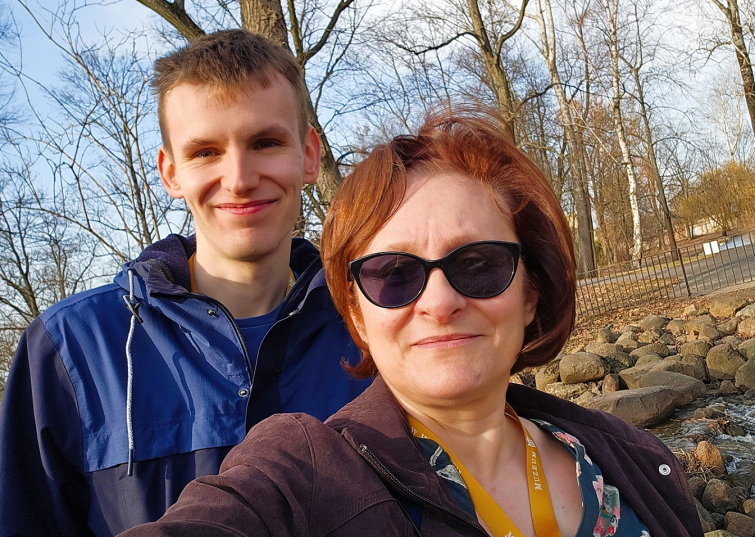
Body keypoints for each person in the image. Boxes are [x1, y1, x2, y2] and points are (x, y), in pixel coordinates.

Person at [122, 108, 704, 537]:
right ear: (356, 313)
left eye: (478, 264)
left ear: (530, 294)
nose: (440, 301)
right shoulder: (304, 474)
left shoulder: (637, 460)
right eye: (394, 274)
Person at [0, 29, 370, 536]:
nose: (239, 178)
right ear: (170, 172)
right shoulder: (71, 349)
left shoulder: (376, 327)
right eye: (205, 152)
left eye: (265, 142)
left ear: (309, 155)